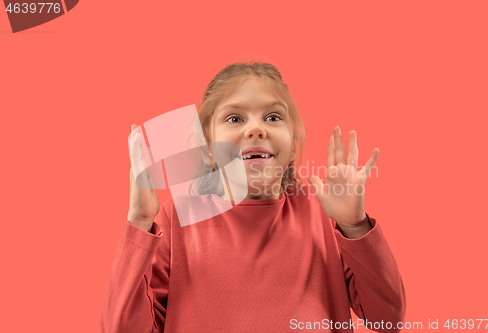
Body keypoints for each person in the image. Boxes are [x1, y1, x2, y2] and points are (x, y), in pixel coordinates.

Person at [100, 62, 406, 333]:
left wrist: (354, 227)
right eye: (234, 119)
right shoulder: (176, 219)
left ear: (294, 142)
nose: (256, 129)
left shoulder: (324, 214)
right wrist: (139, 222)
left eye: (273, 117)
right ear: (208, 146)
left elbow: (387, 319)